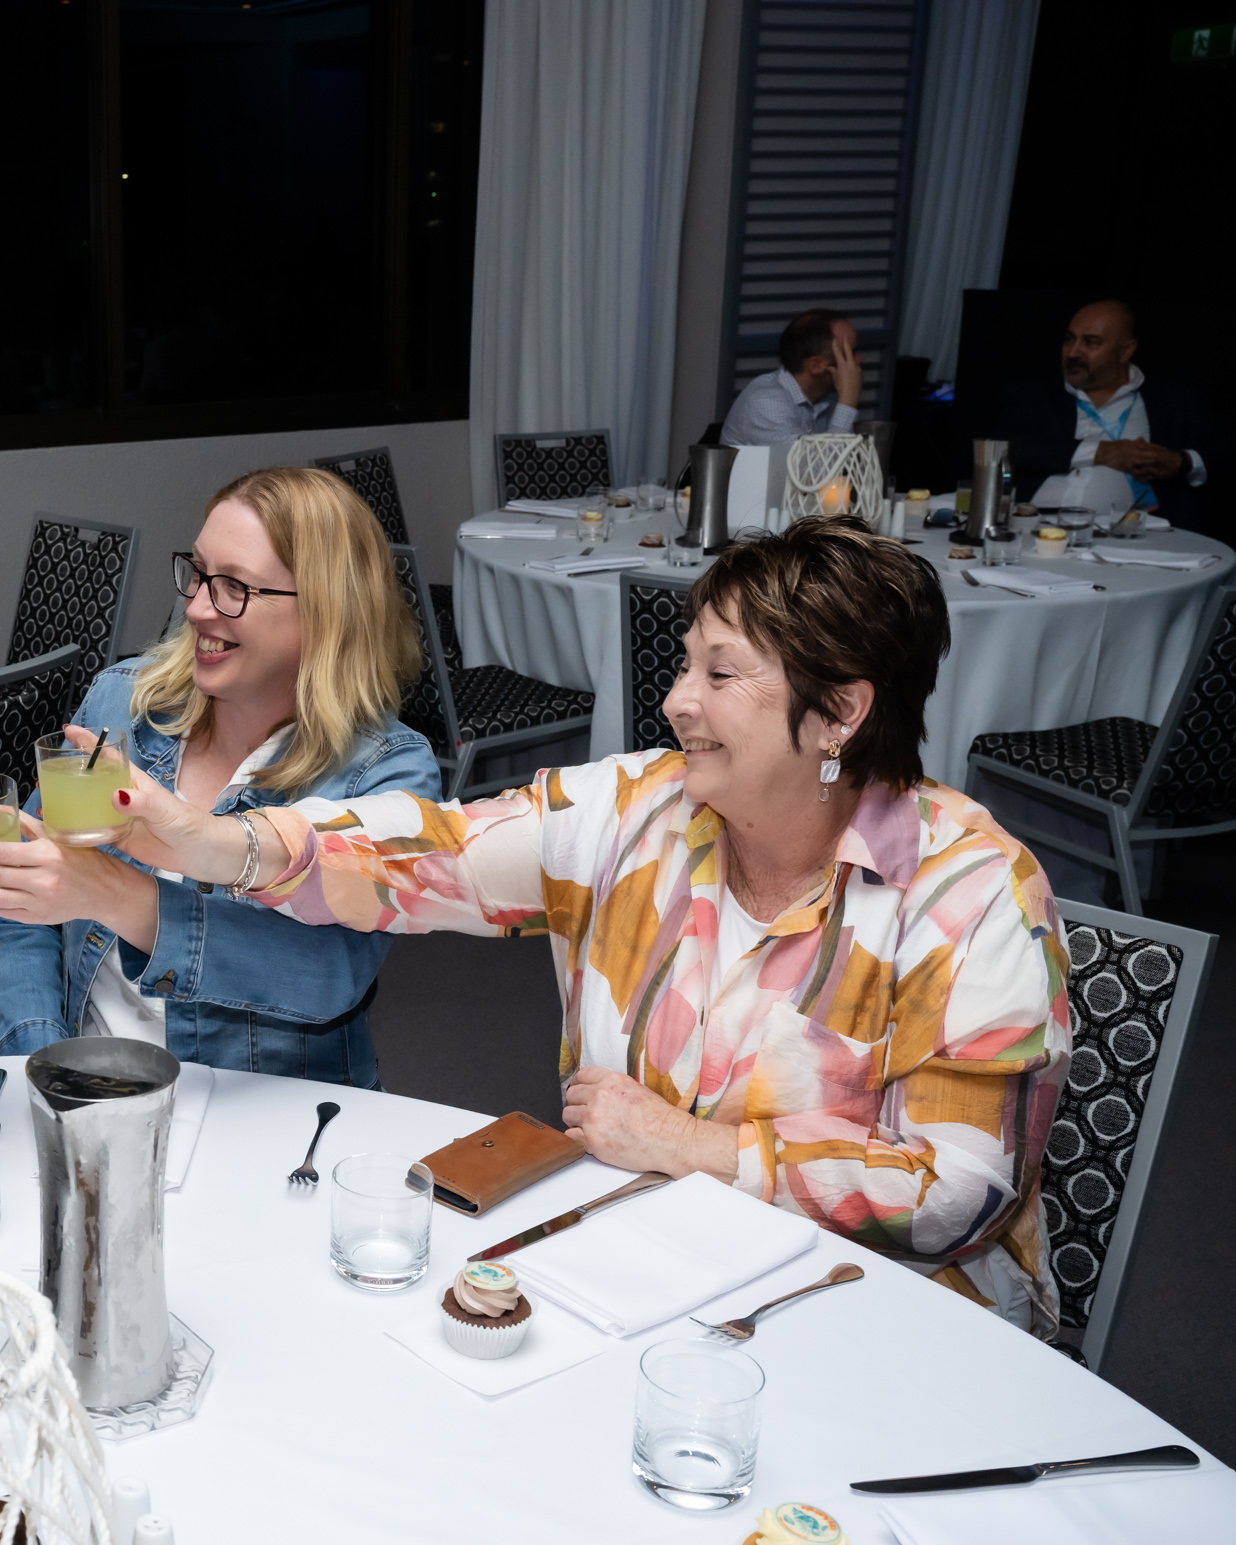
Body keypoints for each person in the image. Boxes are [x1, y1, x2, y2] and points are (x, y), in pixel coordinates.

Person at [95, 517, 1070, 1337]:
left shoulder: (971, 895)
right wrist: (221, 846)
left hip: (883, 1319)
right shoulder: (633, 811)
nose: (675, 698)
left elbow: (955, 1190)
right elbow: (431, 850)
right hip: (648, 1275)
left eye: (719, 674)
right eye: (685, 662)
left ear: (838, 713)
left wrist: (698, 1147)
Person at [0, 467, 439, 1084]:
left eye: (233, 588)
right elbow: (16, 895)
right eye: (197, 574)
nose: (196, 607)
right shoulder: (122, 705)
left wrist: (109, 893)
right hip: (88, 1092)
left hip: (271, 1124)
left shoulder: (384, 773)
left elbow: (329, 975)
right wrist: (42, 1054)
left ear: (326, 612)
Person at [1002, 299, 1219, 533]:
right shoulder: (1034, 395)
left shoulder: (1171, 401)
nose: (1073, 352)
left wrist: (1182, 462)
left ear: (1125, 351)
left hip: (1131, 537)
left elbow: (1223, 450)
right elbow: (1002, 449)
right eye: (1069, 339)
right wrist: (1103, 452)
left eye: (1090, 342)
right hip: (1033, 528)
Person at [720, 309, 861, 449]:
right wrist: (847, 402)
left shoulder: (828, 397)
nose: (859, 360)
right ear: (815, 366)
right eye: (850, 353)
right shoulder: (767, 402)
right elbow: (813, 469)